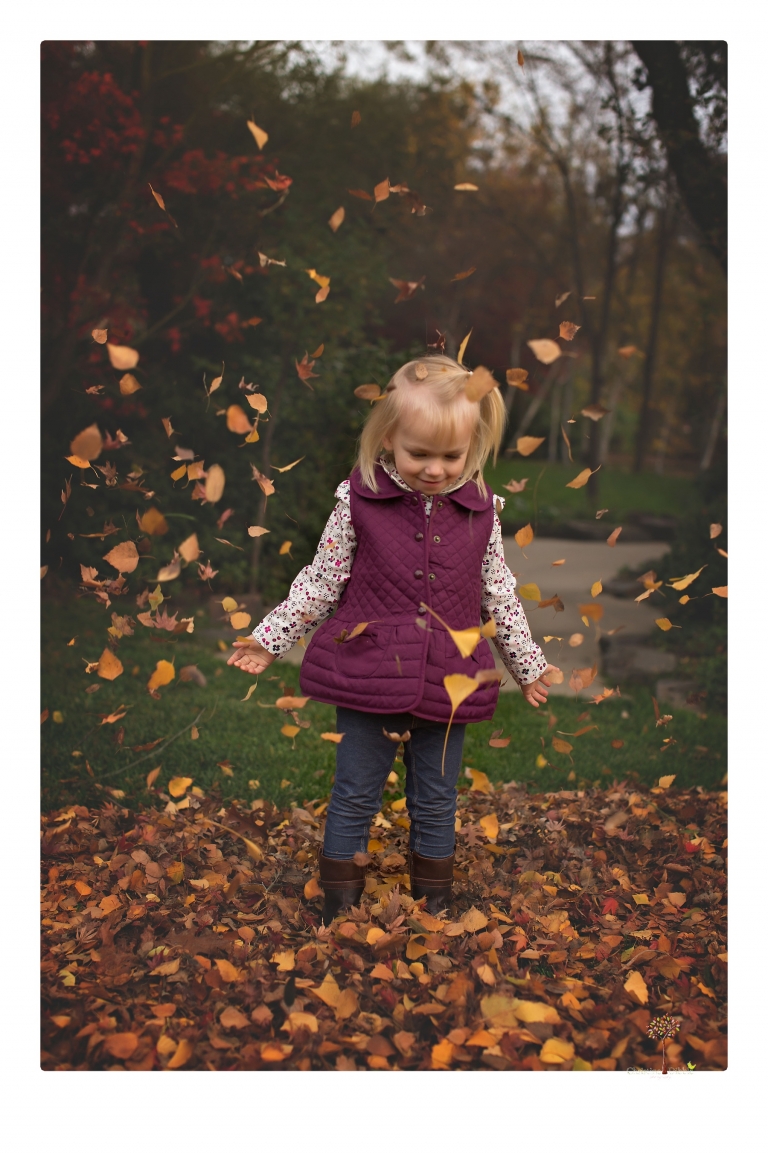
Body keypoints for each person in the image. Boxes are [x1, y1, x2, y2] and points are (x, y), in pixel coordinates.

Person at [228, 354, 559, 923]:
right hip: (368, 676)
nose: (435, 469)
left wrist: (527, 666)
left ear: (473, 448)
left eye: (451, 456)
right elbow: (323, 580)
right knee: (356, 788)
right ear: (387, 441)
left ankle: (434, 901)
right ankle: (340, 905)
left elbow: (498, 593)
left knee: (436, 795)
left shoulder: (481, 514)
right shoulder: (357, 504)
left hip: (449, 682)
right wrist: (269, 638)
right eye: (419, 454)